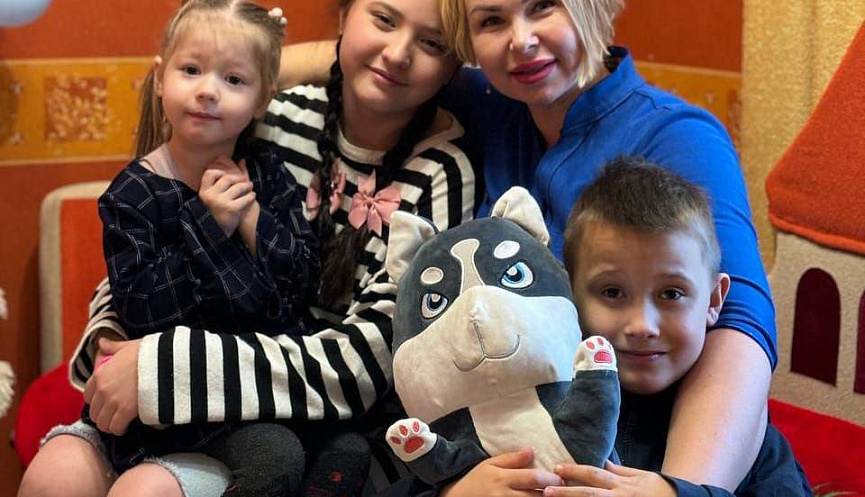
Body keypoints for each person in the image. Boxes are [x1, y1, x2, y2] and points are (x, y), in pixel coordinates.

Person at [272, 0, 775, 493]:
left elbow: (740, 324)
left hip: (650, 443)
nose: (522, 40)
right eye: (492, 20)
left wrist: (676, 488)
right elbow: (376, 55)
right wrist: (241, 54)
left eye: (544, 6)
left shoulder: (678, 136)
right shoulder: (496, 106)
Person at [18, 0, 476, 495]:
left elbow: (366, 364)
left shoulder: (443, 174)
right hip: (192, 373)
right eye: (383, 19)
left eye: (432, 43)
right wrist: (111, 334)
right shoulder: (279, 115)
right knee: (55, 472)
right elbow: (139, 260)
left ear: (456, 62)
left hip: (305, 404)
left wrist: (163, 367)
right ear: (345, 17)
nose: (399, 53)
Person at [545, 157, 811, 497]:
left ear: (713, 300)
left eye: (671, 294)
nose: (642, 326)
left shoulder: (747, 437)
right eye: (612, 292)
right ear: (569, 294)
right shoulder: (544, 396)